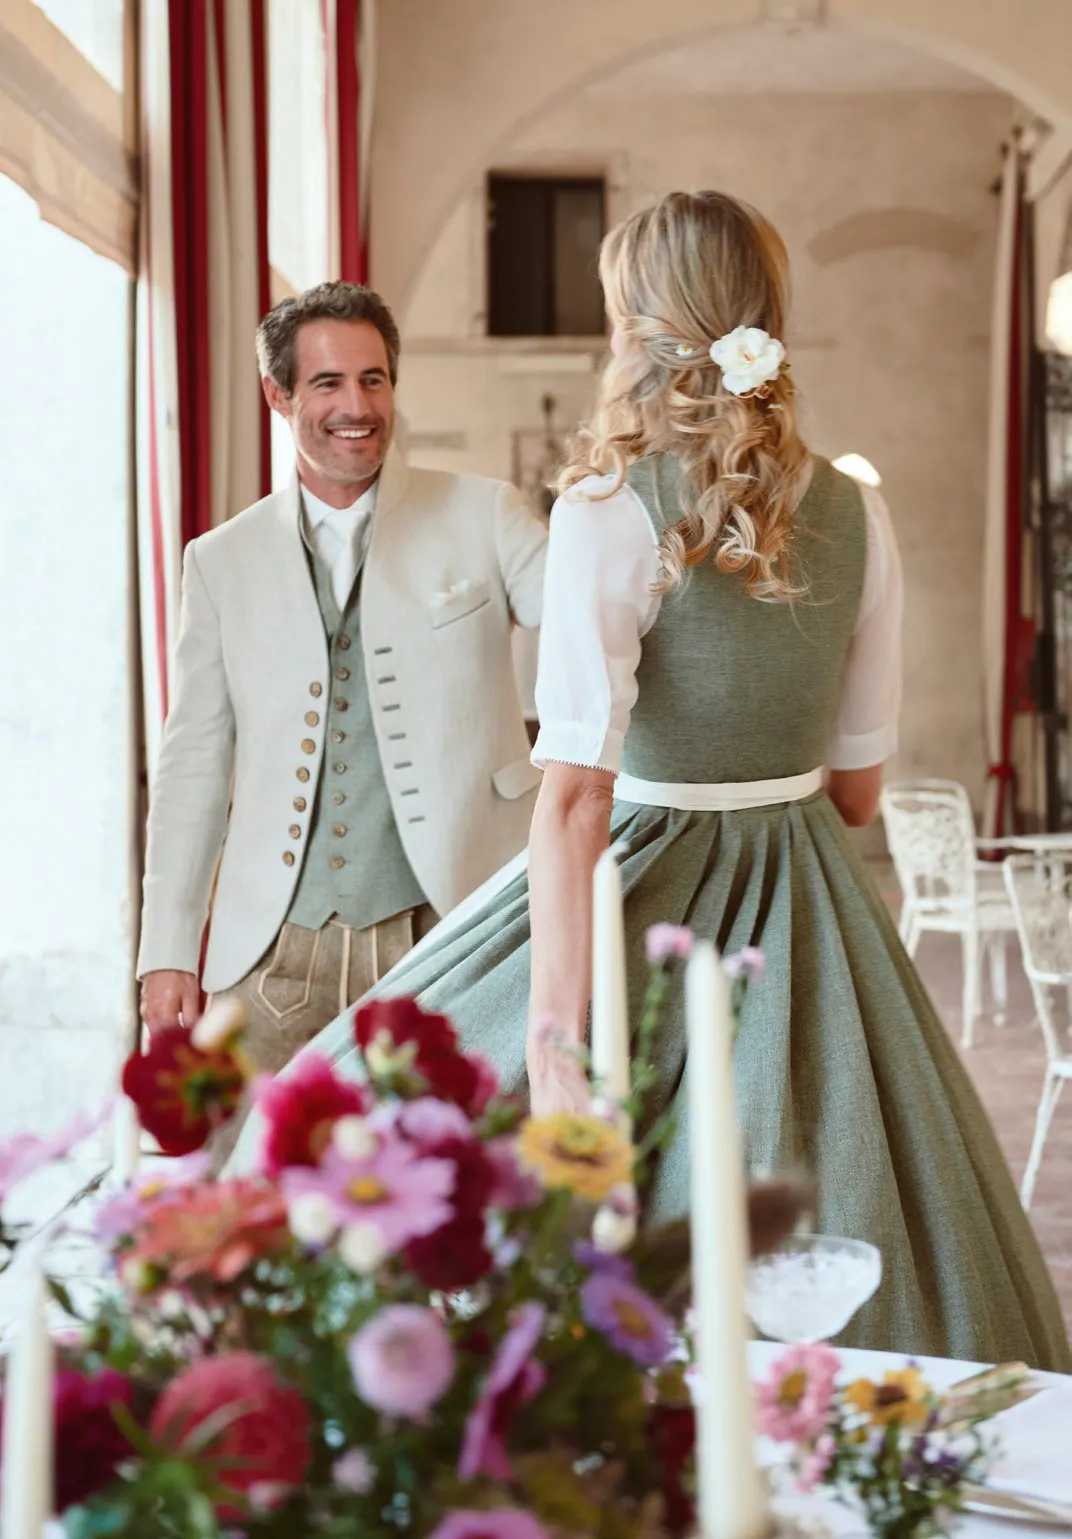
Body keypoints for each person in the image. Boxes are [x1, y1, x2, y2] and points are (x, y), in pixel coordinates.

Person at [249, 196, 1070, 1368]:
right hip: (812, 898)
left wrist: (553, 1041)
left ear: (635, 324)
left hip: (642, 877)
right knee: (862, 1202)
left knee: (353, 1118)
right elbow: (855, 795)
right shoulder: (859, 513)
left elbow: (577, 795)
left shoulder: (606, 508)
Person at [137, 280, 547, 1102]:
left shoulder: (487, 514)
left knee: (464, 1169)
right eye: (327, 383)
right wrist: (169, 947)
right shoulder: (220, 561)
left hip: (456, 927)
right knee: (256, 1173)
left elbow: (594, 629)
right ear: (278, 395)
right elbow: (193, 765)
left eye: (373, 379)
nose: (356, 406)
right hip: (275, 954)